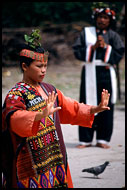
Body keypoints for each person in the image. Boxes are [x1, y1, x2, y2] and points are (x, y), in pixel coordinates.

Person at [2, 29, 110, 188]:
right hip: (30, 168)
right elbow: (14, 119)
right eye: (39, 66)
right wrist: (40, 115)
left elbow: (71, 108)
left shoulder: (49, 89)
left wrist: (95, 109)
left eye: (45, 65)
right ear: (25, 66)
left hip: (55, 160)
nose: (44, 70)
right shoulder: (16, 95)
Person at [72, 7, 125, 149]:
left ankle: (103, 139)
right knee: (86, 104)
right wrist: (93, 48)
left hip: (106, 73)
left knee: (106, 105)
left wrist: (106, 48)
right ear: (95, 18)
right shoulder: (86, 33)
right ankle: (85, 139)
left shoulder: (113, 35)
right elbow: (76, 51)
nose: (102, 20)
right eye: (100, 17)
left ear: (110, 20)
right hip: (90, 71)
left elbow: (119, 53)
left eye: (105, 17)